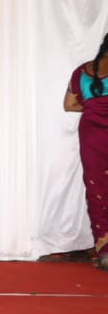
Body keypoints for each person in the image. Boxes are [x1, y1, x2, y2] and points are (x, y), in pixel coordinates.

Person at [64, 32, 108, 270]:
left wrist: (93, 106)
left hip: (91, 132)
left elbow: (69, 105)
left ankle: (105, 250)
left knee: (96, 186)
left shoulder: (81, 71)